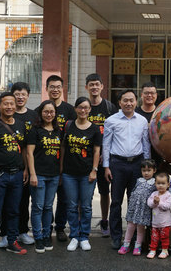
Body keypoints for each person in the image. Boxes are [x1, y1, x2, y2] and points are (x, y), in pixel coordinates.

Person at [0, 92, 28, 259]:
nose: (9, 107)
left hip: (17, 175)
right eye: (6, 104)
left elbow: (23, 149)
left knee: (14, 210)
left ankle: (12, 241)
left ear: (16, 106)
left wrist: (26, 169)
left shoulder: (21, 125)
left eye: (12, 103)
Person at [103, 89, 151, 250]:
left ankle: (135, 238)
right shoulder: (111, 120)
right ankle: (116, 237)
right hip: (117, 164)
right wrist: (106, 167)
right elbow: (106, 144)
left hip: (137, 164)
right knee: (116, 201)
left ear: (136, 102)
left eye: (131, 100)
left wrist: (147, 165)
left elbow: (145, 144)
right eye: (125, 100)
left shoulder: (142, 121)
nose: (128, 103)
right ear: (119, 102)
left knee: (135, 201)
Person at [60, 97, 102, 252]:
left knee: (86, 206)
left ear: (90, 109)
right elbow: (63, 147)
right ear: (75, 109)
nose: (83, 110)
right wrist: (61, 168)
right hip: (69, 173)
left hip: (87, 174)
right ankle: (74, 236)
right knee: (71, 206)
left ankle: (84, 236)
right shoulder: (68, 125)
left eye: (86, 108)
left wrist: (94, 170)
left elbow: (97, 151)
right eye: (80, 107)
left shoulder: (95, 129)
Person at [42, 74, 76, 242]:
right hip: (46, 161)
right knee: (45, 200)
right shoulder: (41, 109)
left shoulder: (69, 110)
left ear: (62, 89)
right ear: (46, 88)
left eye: (58, 87)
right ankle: (46, 228)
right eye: (52, 87)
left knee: (64, 198)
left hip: (67, 161)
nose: (55, 90)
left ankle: (60, 227)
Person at [85, 73, 118, 238]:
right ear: (86, 87)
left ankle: (105, 221)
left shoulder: (109, 107)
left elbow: (116, 132)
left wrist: (108, 155)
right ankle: (83, 223)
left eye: (97, 84)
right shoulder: (83, 106)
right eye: (91, 84)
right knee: (85, 193)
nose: (94, 87)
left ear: (102, 86)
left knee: (105, 192)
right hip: (86, 157)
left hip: (105, 157)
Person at [4, 81, 37, 247]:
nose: (20, 97)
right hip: (6, 166)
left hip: (26, 165)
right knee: (6, 202)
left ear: (28, 96)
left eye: (23, 94)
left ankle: (23, 231)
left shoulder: (34, 116)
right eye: (17, 94)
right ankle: (5, 233)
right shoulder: (5, 115)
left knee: (24, 201)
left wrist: (28, 168)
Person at [27, 100, 62, 254]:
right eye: (46, 111)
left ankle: (47, 235)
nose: (49, 114)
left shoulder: (58, 131)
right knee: (38, 207)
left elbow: (61, 152)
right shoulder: (35, 130)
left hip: (53, 175)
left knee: (48, 207)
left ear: (55, 114)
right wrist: (33, 174)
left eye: (52, 112)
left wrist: (60, 173)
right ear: (41, 113)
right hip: (39, 175)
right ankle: (38, 237)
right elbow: (29, 153)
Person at [118, 160, 157, 255]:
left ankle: (138, 245)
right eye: (144, 170)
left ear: (154, 170)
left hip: (144, 209)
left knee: (140, 227)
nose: (146, 173)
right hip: (134, 207)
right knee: (130, 226)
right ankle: (126, 244)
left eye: (149, 170)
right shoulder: (138, 180)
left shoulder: (154, 183)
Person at [146, 172, 171, 259]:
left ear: (168, 184)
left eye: (163, 183)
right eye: (158, 183)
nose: (160, 185)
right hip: (155, 222)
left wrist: (159, 202)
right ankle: (153, 249)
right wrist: (154, 202)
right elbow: (149, 204)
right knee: (154, 237)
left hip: (165, 222)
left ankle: (165, 250)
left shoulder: (168, 195)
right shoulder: (154, 194)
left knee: (164, 237)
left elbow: (167, 206)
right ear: (155, 184)